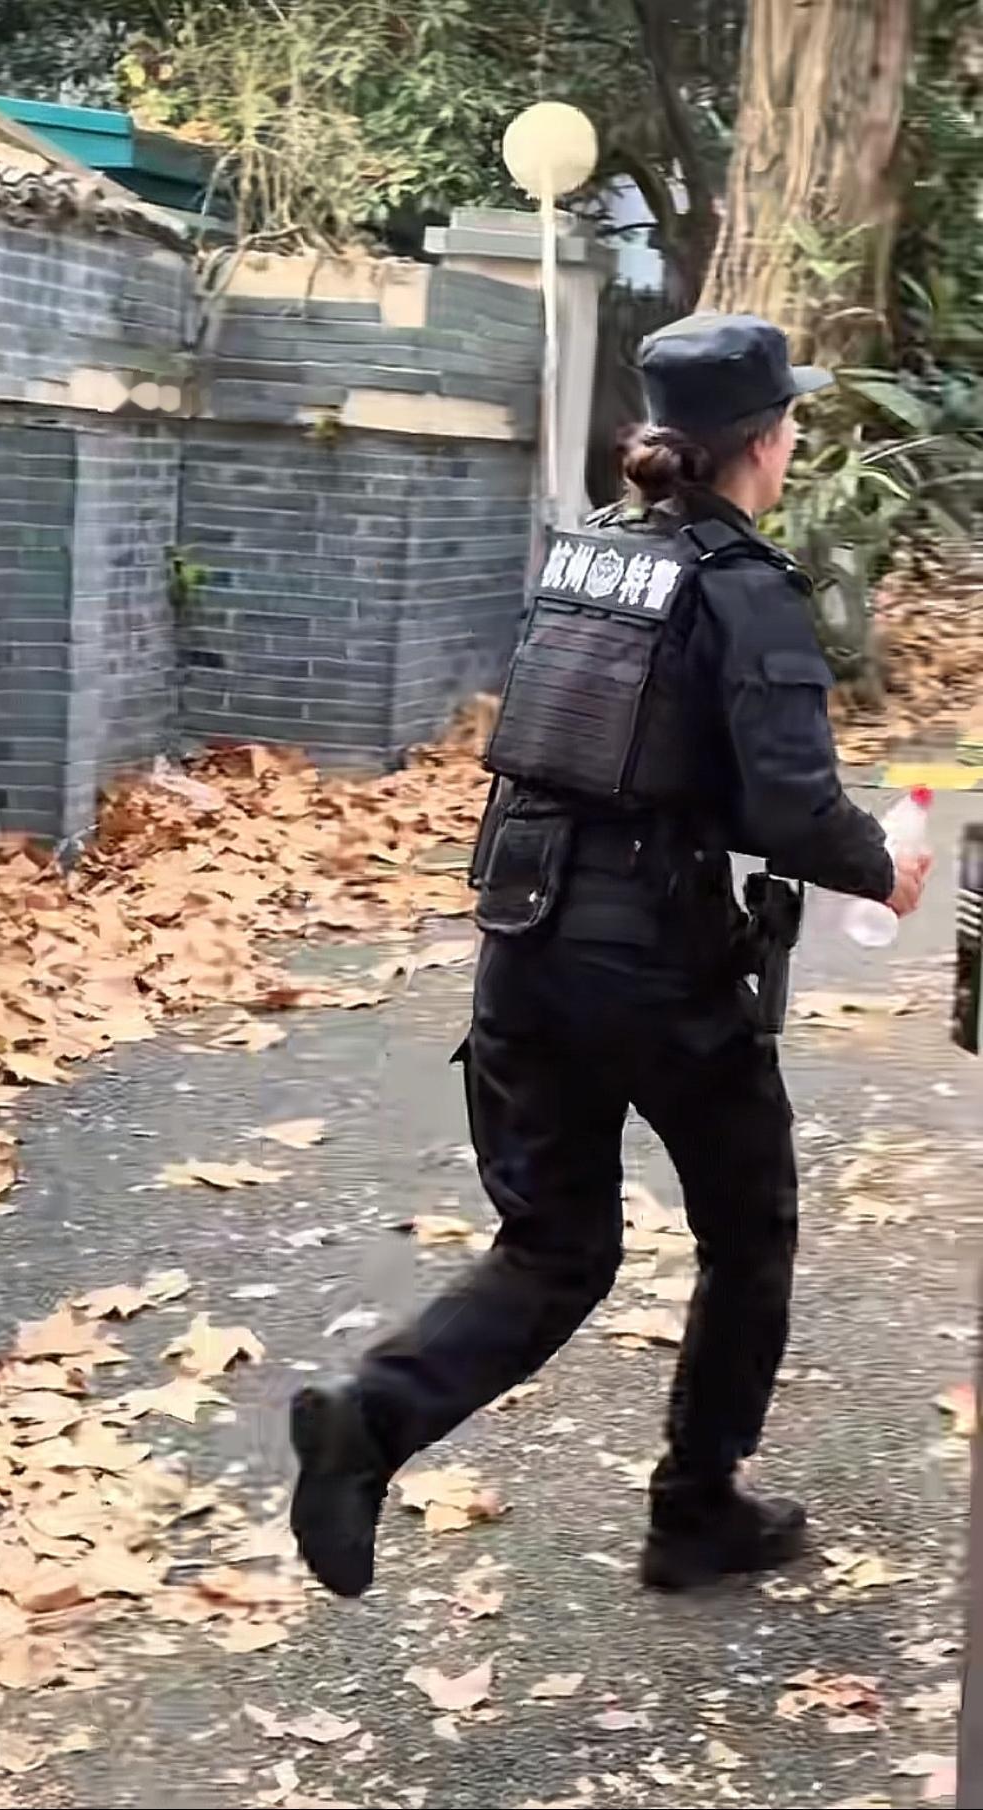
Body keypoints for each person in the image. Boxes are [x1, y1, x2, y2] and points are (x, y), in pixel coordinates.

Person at [289, 312, 930, 1599]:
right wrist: (885, 864)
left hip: (522, 937)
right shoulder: (744, 586)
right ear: (766, 441)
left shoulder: (589, 551)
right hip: (655, 968)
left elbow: (618, 747)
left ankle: (369, 1423)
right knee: (749, 1228)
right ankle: (696, 1510)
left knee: (556, 1246)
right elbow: (790, 806)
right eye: (790, 423)